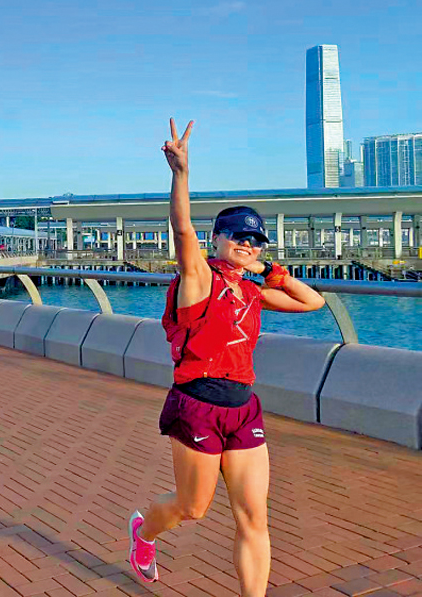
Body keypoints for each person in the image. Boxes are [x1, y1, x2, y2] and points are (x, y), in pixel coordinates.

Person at [127, 119, 325, 596]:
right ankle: (143, 533)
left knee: (254, 516)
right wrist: (181, 173)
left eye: (255, 239)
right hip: (197, 402)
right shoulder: (199, 280)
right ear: (216, 239)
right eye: (237, 236)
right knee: (193, 508)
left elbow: (311, 302)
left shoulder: (251, 290)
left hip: (242, 407)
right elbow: (180, 231)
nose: (246, 244)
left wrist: (271, 270)